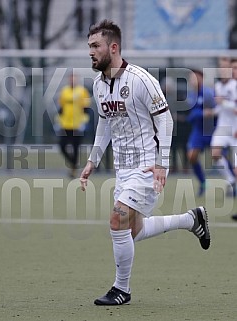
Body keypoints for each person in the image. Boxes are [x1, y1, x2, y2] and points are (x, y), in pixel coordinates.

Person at [80, 19, 210, 306]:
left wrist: (163, 164)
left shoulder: (140, 80)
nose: (90, 51)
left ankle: (121, 290)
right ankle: (192, 219)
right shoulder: (99, 83)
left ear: (113, 47)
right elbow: (104, 124)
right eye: (89, 46)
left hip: (146, 165)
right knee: (132, 231)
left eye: (95, 46)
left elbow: (164, 119)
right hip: (123, 168)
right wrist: (92, 160)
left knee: (117, 219)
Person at [207, 57, 237, 198]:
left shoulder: (234, 86)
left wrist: (224, 102)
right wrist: (212, 111)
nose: (224, 70)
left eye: (226, 68)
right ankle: (230, 181)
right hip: (223, 127)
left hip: (235, 129)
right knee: (215, 153)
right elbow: (220, 107)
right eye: (221, 67)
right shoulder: (218, 86)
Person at [186, 69, 216, 196]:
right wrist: (203, 113)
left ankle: (232, 182)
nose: (192, 80)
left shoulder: (209, 93)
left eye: (195, 77)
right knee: (192, 156)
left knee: (219, 156)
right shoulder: (191, 95)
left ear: (201, 78)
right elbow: (191, 115)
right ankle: (203, 182)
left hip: (212, 129)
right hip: (198, 130)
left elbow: (216, 110)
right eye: (191, 78)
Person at [56, 72, 91, 178]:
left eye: (74, 79)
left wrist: (84, 122)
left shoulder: (82, 91)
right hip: (65, 124)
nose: (72, 81)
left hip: (77, 124)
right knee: (62, 145)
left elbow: (86, 109)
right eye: (71, 79)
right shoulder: (64, 91)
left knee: (76, 147)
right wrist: (58, 121)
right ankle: (74, 164)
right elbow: (61, 108)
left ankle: (73, 170)